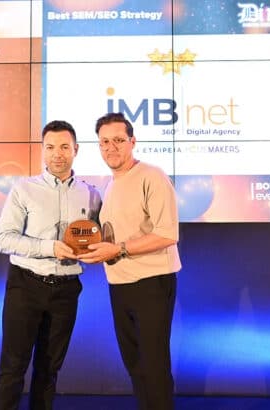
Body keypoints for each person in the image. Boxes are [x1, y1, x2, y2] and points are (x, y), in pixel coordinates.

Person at [0, 120, 101, 410]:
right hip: (25, 285)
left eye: (64, 147)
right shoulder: (24, 189)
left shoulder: (91, 194)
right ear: (42, 150)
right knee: (13, 367)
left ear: (76, 150)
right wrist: (49, 247)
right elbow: (3, 239)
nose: (58, 154)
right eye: (51, 147)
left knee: (49, 369)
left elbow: (96, 238)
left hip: (66, 289)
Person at [78, 112, 181, 410]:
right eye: (104, 142)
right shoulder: (111, 184)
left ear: (133, 141)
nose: (111, 147)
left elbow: (167, 234)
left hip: (151, 282)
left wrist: (117, 250)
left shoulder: (152, 176)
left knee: (154, 365)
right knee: (135, 364)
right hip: (119, 283)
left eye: (118, 140)